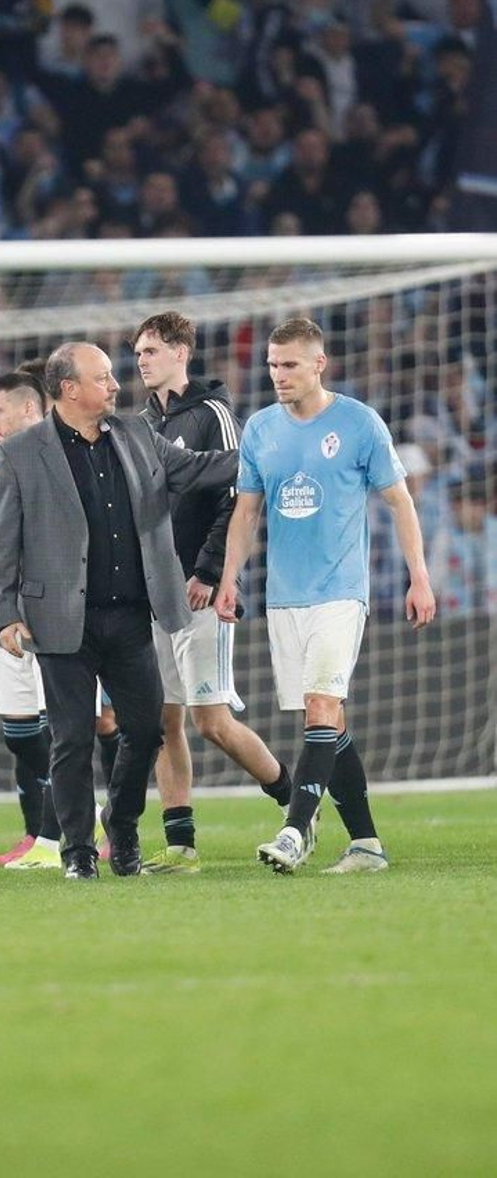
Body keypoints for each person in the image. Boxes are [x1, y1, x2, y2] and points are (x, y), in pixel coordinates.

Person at [0, 343, 239, 880]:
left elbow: (196, 470)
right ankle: (77, 851)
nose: (116, 385)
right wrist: (3, 613)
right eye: (102, 377)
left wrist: (266, 450)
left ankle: (120, 823)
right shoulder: (21, 453)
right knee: (72, 738)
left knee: (146, 730)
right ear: (69, 389)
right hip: (60, 621)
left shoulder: (138, 434)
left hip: (131, 616)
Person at [216, 317, 436, 874]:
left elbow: (399, 501)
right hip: (283, 597)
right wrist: (228, 578)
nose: (278, 375)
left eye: (289, 365)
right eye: (272, 364)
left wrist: (420, 576)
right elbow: (246, 511)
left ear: (319, 364)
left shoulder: (360, 424)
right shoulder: (261, 429)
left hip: (341, 591)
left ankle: (295, 829)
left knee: (321, 704)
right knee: (327, 721)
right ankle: (366, 843)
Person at [133, 312, 292, 873]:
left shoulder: (214, 415)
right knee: (163, 723)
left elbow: (237, 495)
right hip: (158, 596)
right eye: (138, 352)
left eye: (151, 349)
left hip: (202, 593)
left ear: (181, 351)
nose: (142, 359)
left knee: (211, 722)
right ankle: (181, 846)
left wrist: (207, 572)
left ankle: (296, 807)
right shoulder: (143, 422)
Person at [0, 368, 63, 871]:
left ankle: (58, 836)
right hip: (15, 616)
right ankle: (49, 828)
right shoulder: (0, 459)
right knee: (18, 731)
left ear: (29, 409)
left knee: (71, 728)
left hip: (62, 613)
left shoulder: (63, 452)